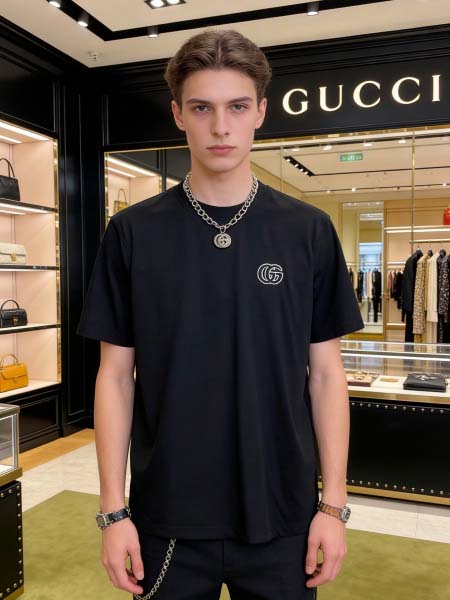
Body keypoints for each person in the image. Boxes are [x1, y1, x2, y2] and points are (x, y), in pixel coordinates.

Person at [77, 28, 364, 600]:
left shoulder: (308, 231)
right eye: (202, 108)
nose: (220, 127)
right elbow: (115, 376)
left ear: (260, 112)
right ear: (178, 115)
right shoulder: (132, 232)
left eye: (236, 107)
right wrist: (113, 511)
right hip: (167, 515)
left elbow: (327, 375)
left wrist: (333, 506)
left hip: (283, 511)